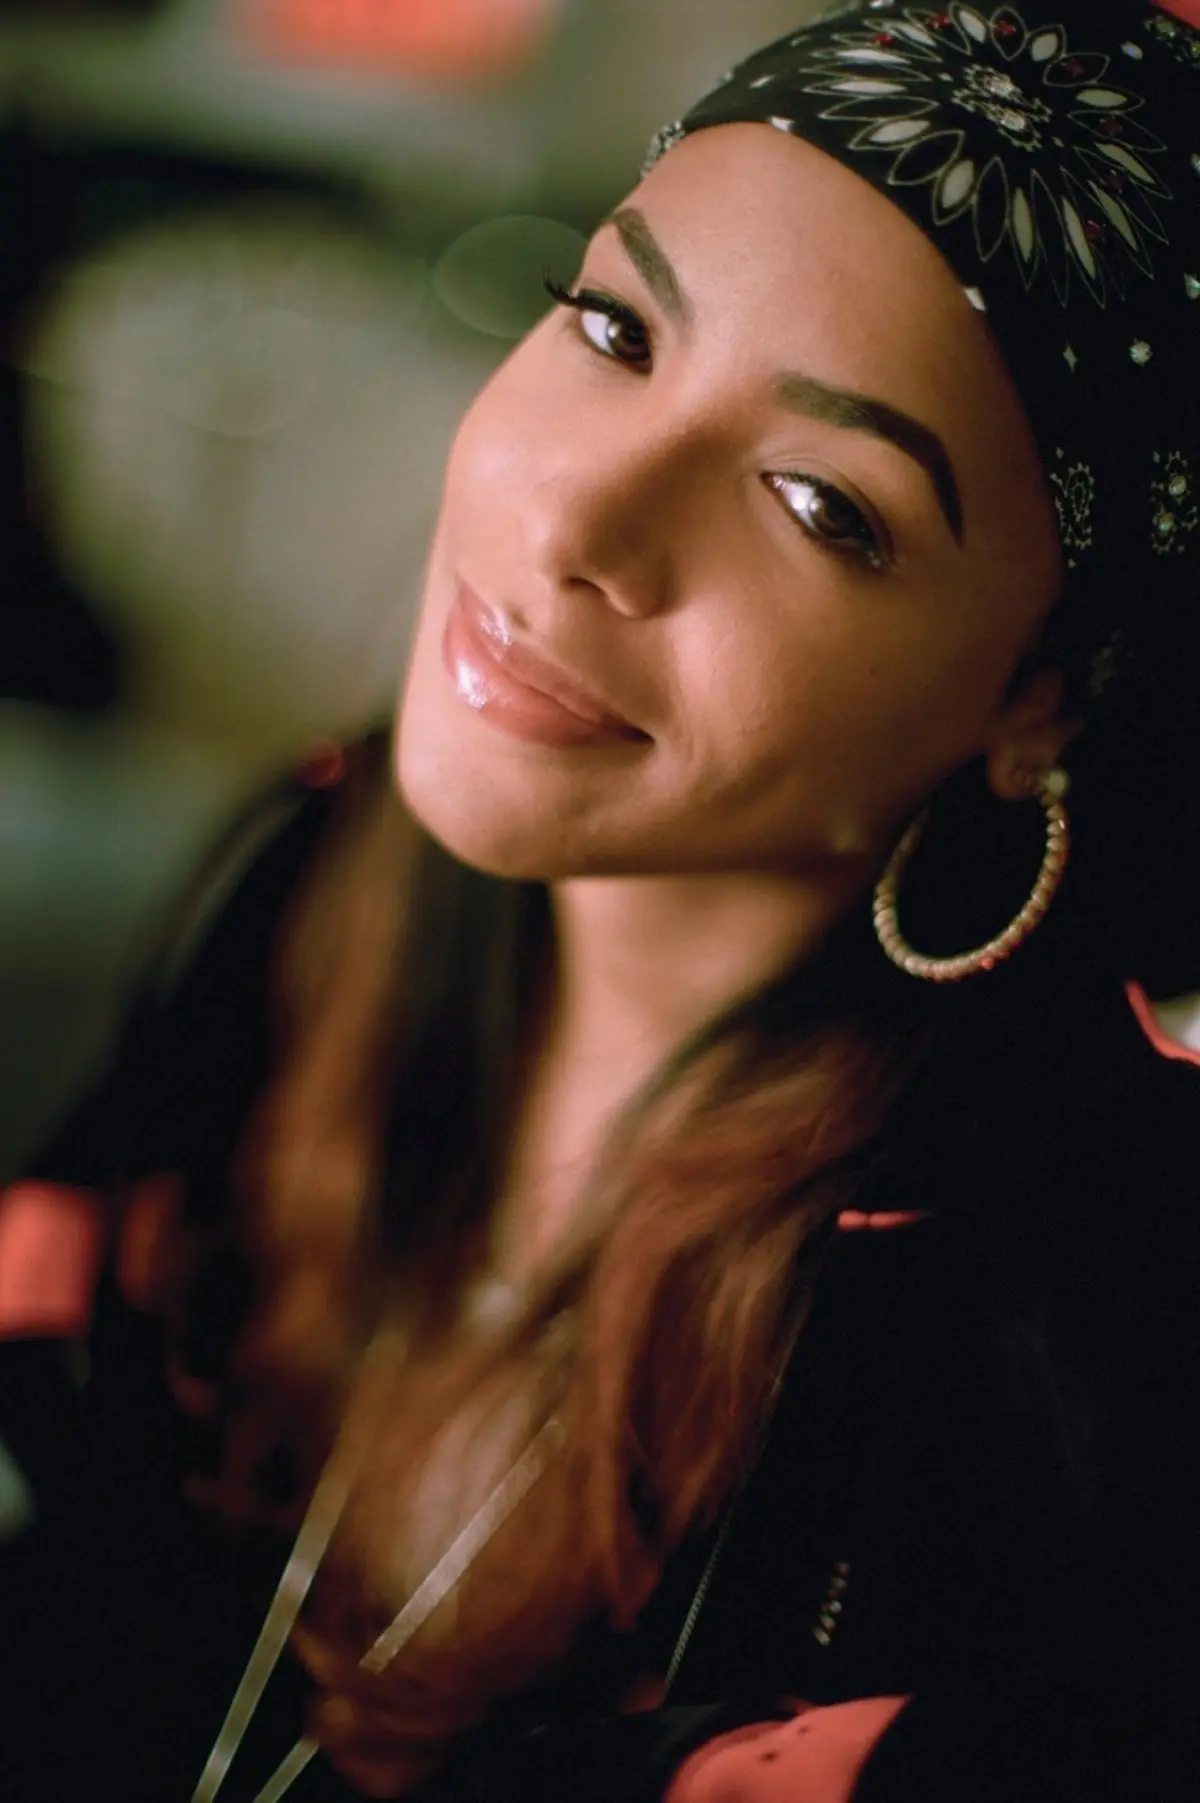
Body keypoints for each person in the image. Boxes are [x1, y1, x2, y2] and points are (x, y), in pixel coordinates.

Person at [4, 1, 1200, 1798]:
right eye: (617, 328)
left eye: (822, 503)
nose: (576, 523)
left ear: (1044, 699)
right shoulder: (311, 875)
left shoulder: (1075, 1350)